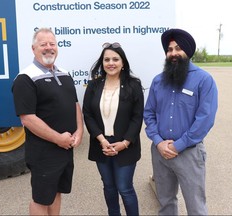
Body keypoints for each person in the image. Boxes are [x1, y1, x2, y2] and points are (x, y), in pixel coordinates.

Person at [144, 28, 218, 215]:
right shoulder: (158, 81)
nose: (173, 53)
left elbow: (205, 119)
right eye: (169, 49)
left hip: (189, 153)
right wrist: (159, 142)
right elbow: (149, 114)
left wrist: (178, 145)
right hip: (160, 153)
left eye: (178, 48)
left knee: (196, 206)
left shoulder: (204, 80)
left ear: (188, 51)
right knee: (166, 203)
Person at [12, 28, 83, 216]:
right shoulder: (25, 78)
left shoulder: (65, 74)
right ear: (33, 48)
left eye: (52, 44)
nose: (49, 48)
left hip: (65, 148)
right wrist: (58, 138)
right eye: (43, 44)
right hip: (43, 152)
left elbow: (75, 104)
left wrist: (79, 131)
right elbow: (27, 118)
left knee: (56, 192)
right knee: (41, 198)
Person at [83, 42, 144, 216]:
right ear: (102, 63)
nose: (111, 63)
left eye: (115, 59)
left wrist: (124, 143)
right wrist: (102, 140)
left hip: (126, 145)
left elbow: (137, 117)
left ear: (123, 62)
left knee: (125, 188)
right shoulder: (93, 86)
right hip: (101, 145)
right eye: (107, 59)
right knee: (109, 187)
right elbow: (87, 114)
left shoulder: (133, 85)